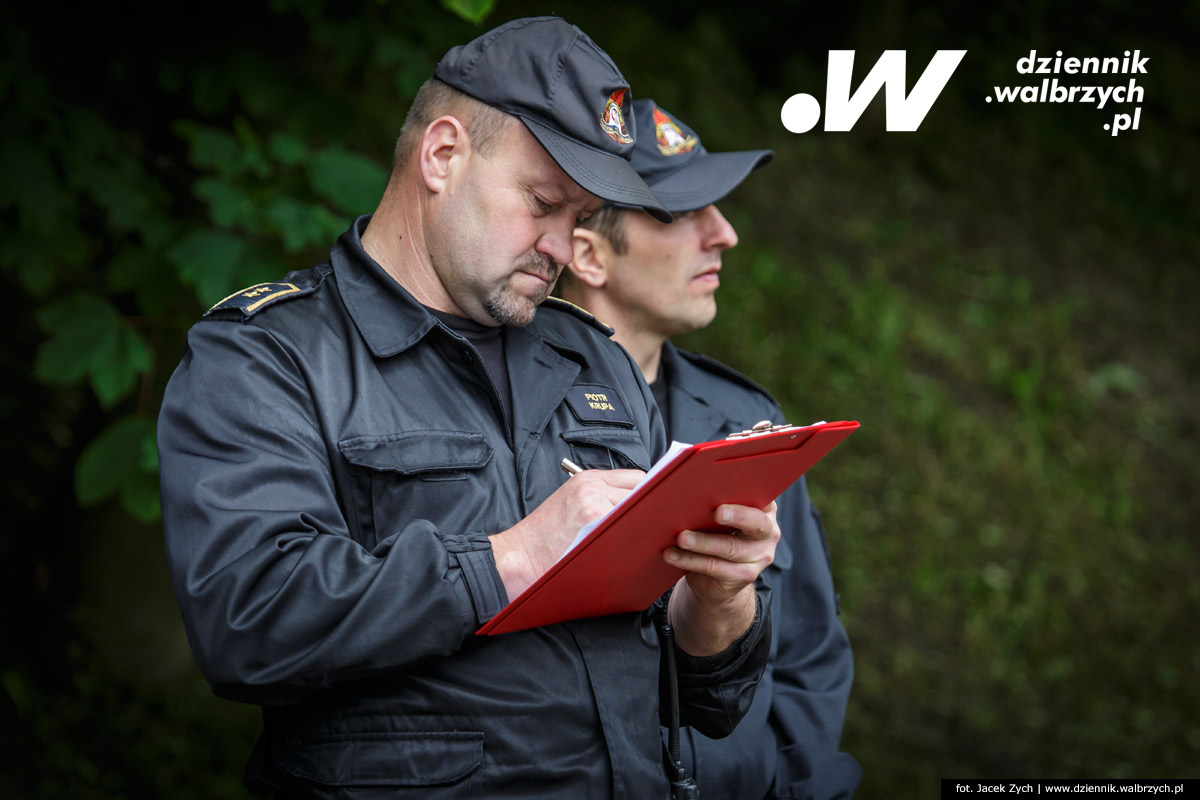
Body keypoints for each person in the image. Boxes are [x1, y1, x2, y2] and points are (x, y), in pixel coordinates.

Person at [157, 17, 783, 800]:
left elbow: (705, 703)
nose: (561, 246)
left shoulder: (592, 357)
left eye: (581, 218)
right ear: (443, 154)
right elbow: (247, 621)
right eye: (543, 201)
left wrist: (716, 599)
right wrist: (514, 556)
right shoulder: (269, 355)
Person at [561, 99, 862, 799]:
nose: (723, 234)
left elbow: (810, 656)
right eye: (680, 211)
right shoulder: (511, 415)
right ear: (588, 253)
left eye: (717, 209)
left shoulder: (746, 420)